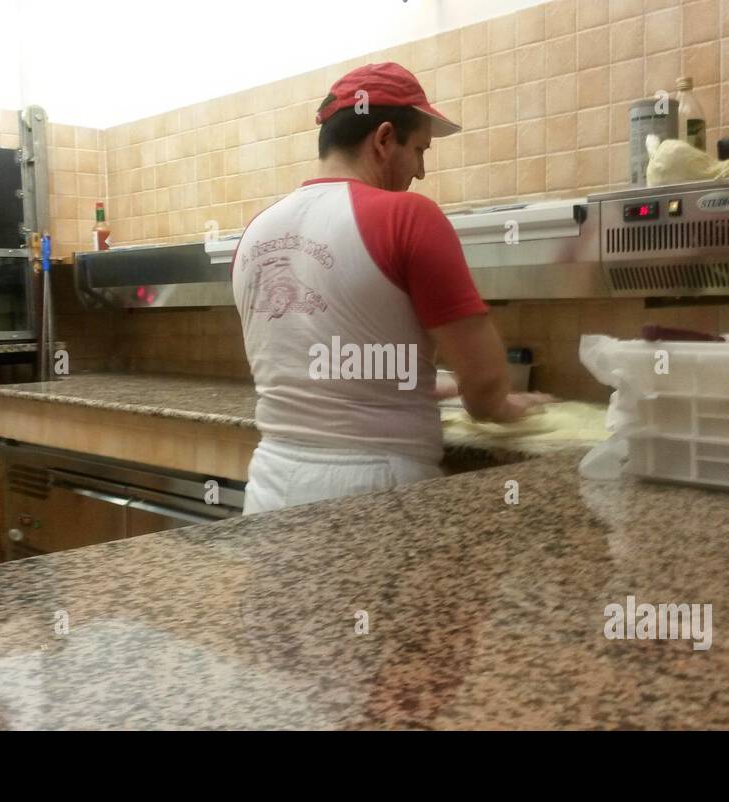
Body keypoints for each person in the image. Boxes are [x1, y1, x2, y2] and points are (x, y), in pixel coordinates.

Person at [232, 62, 551, 514]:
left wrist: (433, 384)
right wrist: (509, 406)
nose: (420, 171)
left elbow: (331, 364)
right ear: (383, 139)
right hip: (375, 492)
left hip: (271, 485)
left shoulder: (256, 234)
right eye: (420, 149)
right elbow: (484, 388)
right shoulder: (408, 216)